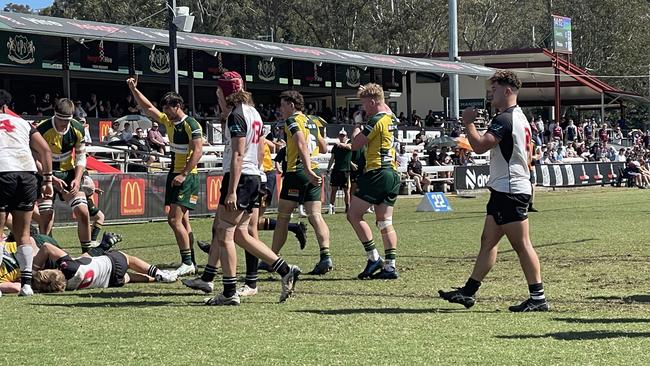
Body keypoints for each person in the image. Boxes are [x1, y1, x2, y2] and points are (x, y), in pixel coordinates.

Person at [183, 72, 301, 305]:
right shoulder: (253, 112)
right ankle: (286, 269)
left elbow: (238, 153)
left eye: (218, 92)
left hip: (241, 177)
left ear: (227, 92)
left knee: (225, 233)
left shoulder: (237, 115)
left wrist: (232, 190)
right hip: (254, 176)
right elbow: (257, 150)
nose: (217, 96)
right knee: (240, 234)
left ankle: (228, 292)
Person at [439, 70, 549, 312]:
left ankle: (538, 297)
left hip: (510, 189)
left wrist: (468, 122)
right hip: (506, 188)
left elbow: (479, 147)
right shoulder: (520, 117)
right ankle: (468, 292)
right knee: (488, 241)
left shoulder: (504, 119)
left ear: (507, 90)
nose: (491, 94)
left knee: (522, 245)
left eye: (495, 89)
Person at [127, 77, 202, 276]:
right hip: (174, 174)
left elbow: (198, 152)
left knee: (174, 220)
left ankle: (187, 262)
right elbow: (148, 107)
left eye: (168, 108)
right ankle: (191, 261)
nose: (165, 112)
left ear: (178, 106)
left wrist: (184, 174)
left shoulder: (191, 124)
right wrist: (134, 90)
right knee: (184, 221)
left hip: (187, 177)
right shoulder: (169, 122)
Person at [270, 90, 332, 276]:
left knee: (283, 216)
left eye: (282, 105)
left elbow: (301, 144)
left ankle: (272, 257)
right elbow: (323, 147)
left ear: (291, 104)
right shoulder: (312, 121)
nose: (280, 110)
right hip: (314, 170)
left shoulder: (292, 121)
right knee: (315, 215)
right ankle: (325, 256)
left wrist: (305, 168)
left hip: (297, 172)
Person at [0, 90, 54, 296]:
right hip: (26, 173)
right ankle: (27, 285)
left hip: (2, 172)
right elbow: (46, 150)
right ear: (6, 107)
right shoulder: (23, 123)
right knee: (24, 234)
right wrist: (48, 180)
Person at [347, 83, 401, 280]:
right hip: (393, 172)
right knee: (385, 221)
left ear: (372, 102)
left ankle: (373, 257)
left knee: (353, 214)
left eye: (365, 105)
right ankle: (390, 266)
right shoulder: (390, 118)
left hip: (377, 171)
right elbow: (383, 104)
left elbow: (356, 145)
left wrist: (357, 125)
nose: (364, 109)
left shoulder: (376, 119)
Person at [36, 98, 92, 253]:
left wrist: (77, 178)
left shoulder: (77, 128)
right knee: (46, 216)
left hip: (68, 174)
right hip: (46, 174)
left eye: (67, 121)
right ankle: (46, 253)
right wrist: (50, 178)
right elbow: (34, 159)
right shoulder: (42, 129)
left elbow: (81, 157)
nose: (64, 125)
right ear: (55, 115)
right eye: (61, 120)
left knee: (83, 211)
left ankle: (86, 254)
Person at [30, 241, 177, 293]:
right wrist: (33, 270)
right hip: (112, 263)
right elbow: (46, 247)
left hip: (112, 281)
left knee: (130, 278)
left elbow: (85, 260)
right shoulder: (68, 267)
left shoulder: (67, 287)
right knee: (130, 260)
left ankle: (154, 280)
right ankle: (159, 274)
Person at [326, 129, 352, 214]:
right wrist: (328, 168)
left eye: (343, 136)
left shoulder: (349, 144)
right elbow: (332, 158)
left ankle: (348, 207)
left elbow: (349, 147)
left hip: (346, 171)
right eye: (341, 135)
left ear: (346, 137)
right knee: (334, 189)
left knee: (346, 190)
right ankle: (331, 207)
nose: (342, 137)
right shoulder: (335, 147)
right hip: (336, 170)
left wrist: (340, 144)